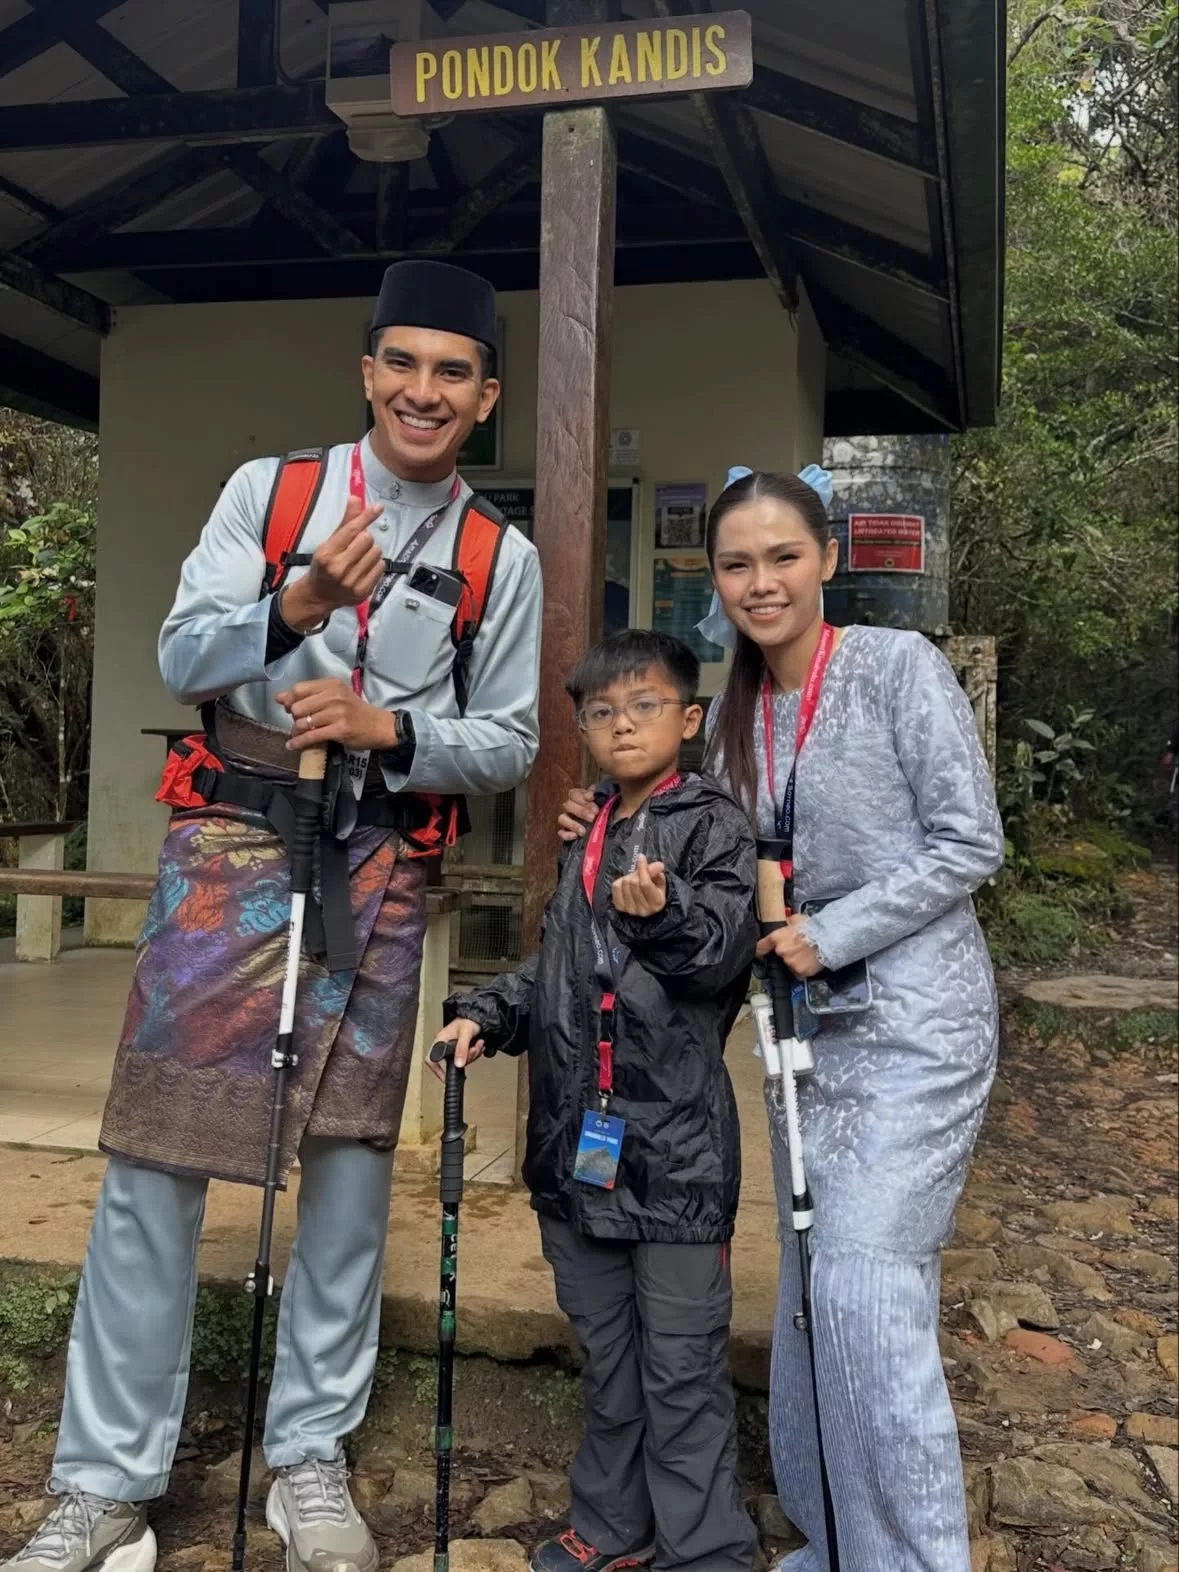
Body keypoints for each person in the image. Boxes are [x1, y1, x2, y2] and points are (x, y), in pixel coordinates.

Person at [6, 261, 542, 1572]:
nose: (423, 389)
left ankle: (304, 1457)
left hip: (375, 864)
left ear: (485, 396)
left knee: (353, 1168)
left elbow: (512, 738)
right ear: (367, 372)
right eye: (401, 361)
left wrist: (392, 728)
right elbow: (182, 656)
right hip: (233, 843)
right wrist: (293, 605)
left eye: (452, 370)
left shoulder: (497, 556)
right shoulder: (274, 493)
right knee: (156, 1159)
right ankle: (104, 1481)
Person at [560, 469, 1004, 1572]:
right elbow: (697, 845)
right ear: (714, 579)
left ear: (827, 558)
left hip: (914, 1023)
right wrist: (606, 817)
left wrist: (835, 929)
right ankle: (829, 1540)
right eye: (737, 564)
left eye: (782, 557)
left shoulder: (900, 668)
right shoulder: (730, 718)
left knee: (864, 1281)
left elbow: (969, 842)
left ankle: (911, 1560)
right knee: (812, 1294)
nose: (762, 583)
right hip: (801, 1039)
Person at [436, 629, 760, 1572]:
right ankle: (613, 1527)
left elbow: (716, 957)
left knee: (683, 1365)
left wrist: (661, 913)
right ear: (580, 727)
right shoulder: (592, 829)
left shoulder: (711, 825)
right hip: (579, 1144)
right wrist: (486, 1015)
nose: (622, 726)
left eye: (645, 706)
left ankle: (703, 1551)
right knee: (609, 1359)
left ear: (689, 719)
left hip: (676, 1158)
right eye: (601, 712)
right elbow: (558, 968)